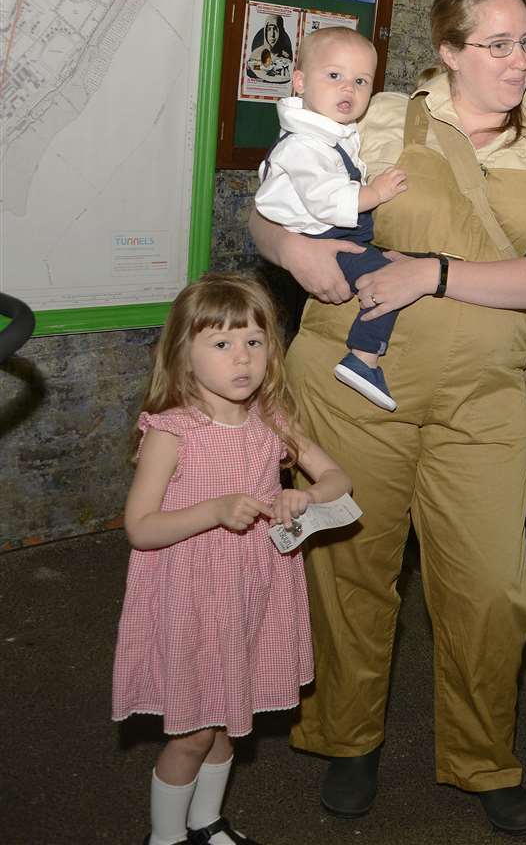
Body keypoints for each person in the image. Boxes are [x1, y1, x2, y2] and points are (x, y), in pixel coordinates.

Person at [249, 0, 526, 836]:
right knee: (350, 565)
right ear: (449, 51)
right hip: (354, 387)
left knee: (491, 586)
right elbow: (272, 202)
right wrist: (291, 251)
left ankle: (482, 756)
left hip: (485, 398)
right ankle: (346, 737)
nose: (521, 60)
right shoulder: (376, 113)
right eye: (499, 44)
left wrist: (434, 272)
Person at [113, 273, 353, 845]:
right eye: (221, 344)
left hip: (251, 591)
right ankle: (165, 837)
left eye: (254, 341)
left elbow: (339, 480)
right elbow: (140, 528)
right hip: (190, 594)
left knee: (225, 727)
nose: (242, 358)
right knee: (193, 734)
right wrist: (214, 509)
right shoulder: (172, 431)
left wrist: (305, 494)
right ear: (183, 354)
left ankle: (206, 822)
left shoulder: (274, 420)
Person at [256, 27, 409, 410]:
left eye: (360, 81)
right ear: (301, 82)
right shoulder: (305, 143)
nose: (348, 89)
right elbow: (326, 200)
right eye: (335, 76)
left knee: (388, 266)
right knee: (385, 286)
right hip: (324, 237)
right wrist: (376, 193)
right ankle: (363, 356)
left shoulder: (329, 132)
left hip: (340, 236)